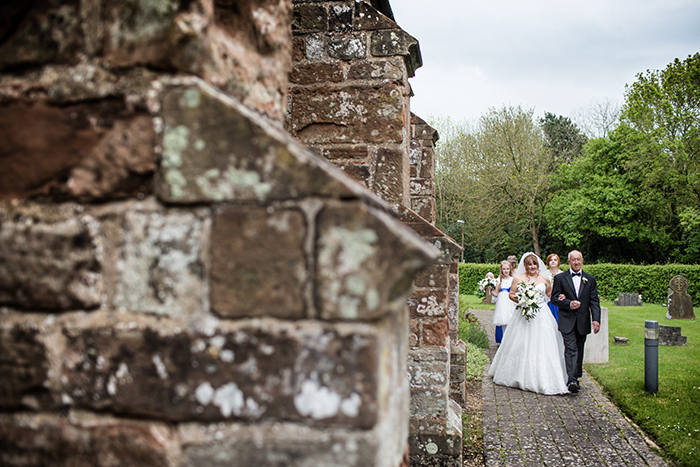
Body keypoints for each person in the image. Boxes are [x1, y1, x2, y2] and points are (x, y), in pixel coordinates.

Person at [487, 252, 568, 395]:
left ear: (538, 265)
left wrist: (560, 297)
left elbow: (550, 295)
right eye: (529, 264)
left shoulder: (544, 279)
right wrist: (522, 300)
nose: (532, 267)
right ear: (525, 265)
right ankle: (517, 374)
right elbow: (511, 294)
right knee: (520, 343)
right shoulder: (518, 278)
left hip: (542, 314)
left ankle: (544, 376)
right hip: (523, 314)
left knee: (543, 344)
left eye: (534, 264)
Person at [551, 250, 601, 394]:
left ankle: (576, 375)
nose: (576, 262)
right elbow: (554, 299)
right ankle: (571, 380)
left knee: (579, 350)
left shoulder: (589, 279)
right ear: (569, 262)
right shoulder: (560, 278)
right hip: (567, 320)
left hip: (583, 321)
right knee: (571, 349)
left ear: (582, 260)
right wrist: (568, 303)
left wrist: (596, 319)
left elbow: (594, 301)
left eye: (578, 259)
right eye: (573, 259)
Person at [490, 260, 515, 344]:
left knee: (511, 322)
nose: (506, 271)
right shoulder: (498, 280)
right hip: (502, 303)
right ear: (501, 270)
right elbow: (496, 294)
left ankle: (510, 341)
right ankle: (504, 341)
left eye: (507, 269)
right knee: (504, 321)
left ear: (510, 269)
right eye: (504, 269)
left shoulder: (513, 279)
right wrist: (490, 291)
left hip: (510, 302)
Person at [546, 253, 563, 322]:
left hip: (559, 300)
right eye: (551, 260)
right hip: (547, 300)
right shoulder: (544, 274)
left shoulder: (562, 274)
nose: (553, 261)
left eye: (555, 260)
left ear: (558, 262)